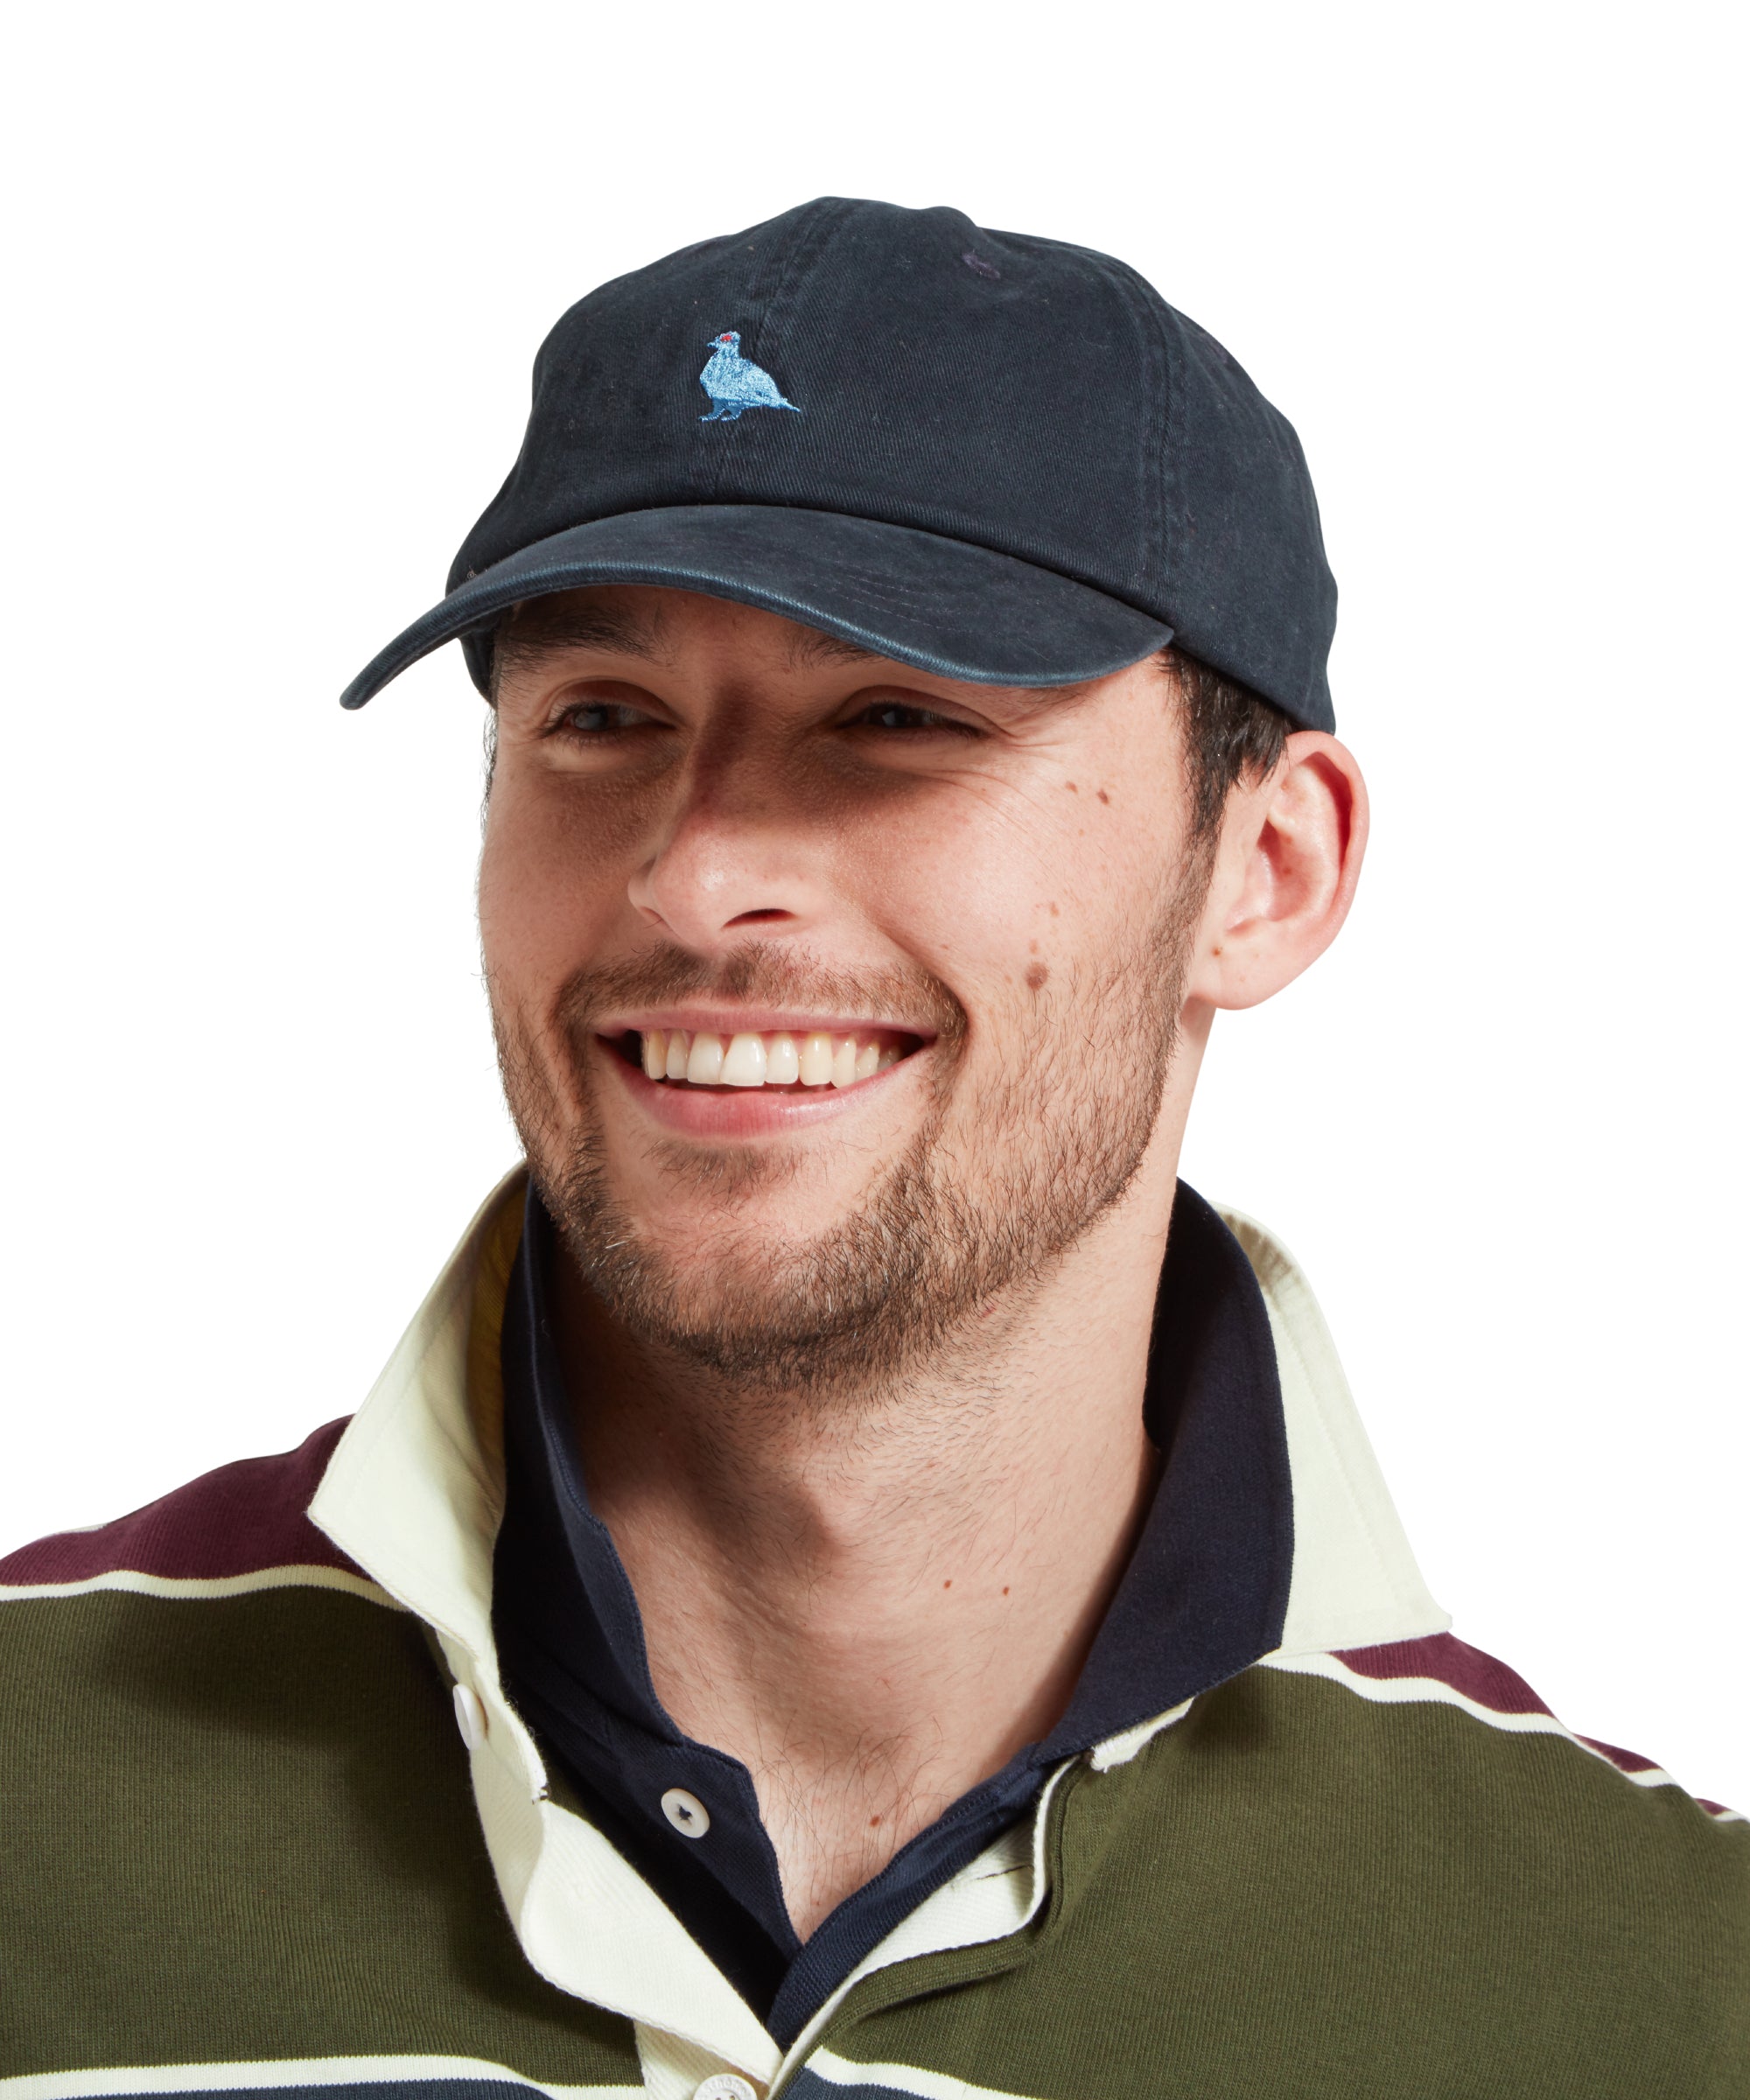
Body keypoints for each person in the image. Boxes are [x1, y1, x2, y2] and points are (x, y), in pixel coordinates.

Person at [2, 198, 1743, 2096]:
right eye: (601, 716)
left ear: (1267, 867)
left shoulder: (1651, 1982)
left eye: (896, 717)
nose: (697, 866)